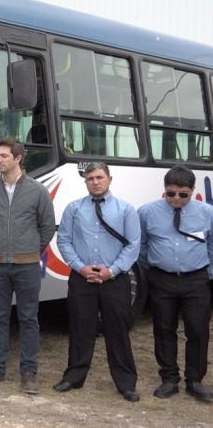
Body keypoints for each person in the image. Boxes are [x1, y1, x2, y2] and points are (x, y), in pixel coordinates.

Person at [53, 162, 140, 402]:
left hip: (114, 280)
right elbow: (64, 241)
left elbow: (133, 245)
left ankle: (126, 383)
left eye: (100, 177)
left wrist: (111, 271)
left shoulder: (125, 210)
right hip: (82, 279)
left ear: (109, 179)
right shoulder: (74, 208)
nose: (95, 182)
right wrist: (81, 268)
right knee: (81, 329)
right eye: (90, 178)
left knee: (117, 331)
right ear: (85, 182)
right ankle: (74, 376)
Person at [0, 138, 55, 394]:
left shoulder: (37, 190)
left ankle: (28, 373)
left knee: (28, 319)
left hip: (27, 267)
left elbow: (46, 227)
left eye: (4, 156)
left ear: (18, 158)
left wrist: (30, 250)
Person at [138, 164, 213, 402]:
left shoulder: (207, 213)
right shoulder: (147, 212)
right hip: (162, 279)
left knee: (199, 330)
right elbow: (140, 244)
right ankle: (169, 378)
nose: (176, 199)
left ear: (192, 190)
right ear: (164, 190)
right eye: (171, 193)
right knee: (163, 329)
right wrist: (154, 267)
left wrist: (208, 272)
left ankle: (195, 380)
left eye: (183, 194)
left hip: (196, 280)